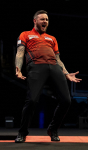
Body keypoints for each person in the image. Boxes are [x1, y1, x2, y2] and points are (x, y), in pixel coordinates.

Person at [15, 10, 82, 143]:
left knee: (66, 101)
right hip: (36, 66)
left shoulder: (52, 38)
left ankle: (53, 128)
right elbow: (20, 53)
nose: (45, 21)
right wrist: (18, 69)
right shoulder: (25, 34)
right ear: (35, 21)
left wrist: (67, 73)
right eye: (42, 19)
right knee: (32, 101)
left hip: (54, 66)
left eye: (46, 19)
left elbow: (58, 59)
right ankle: (22, 132)